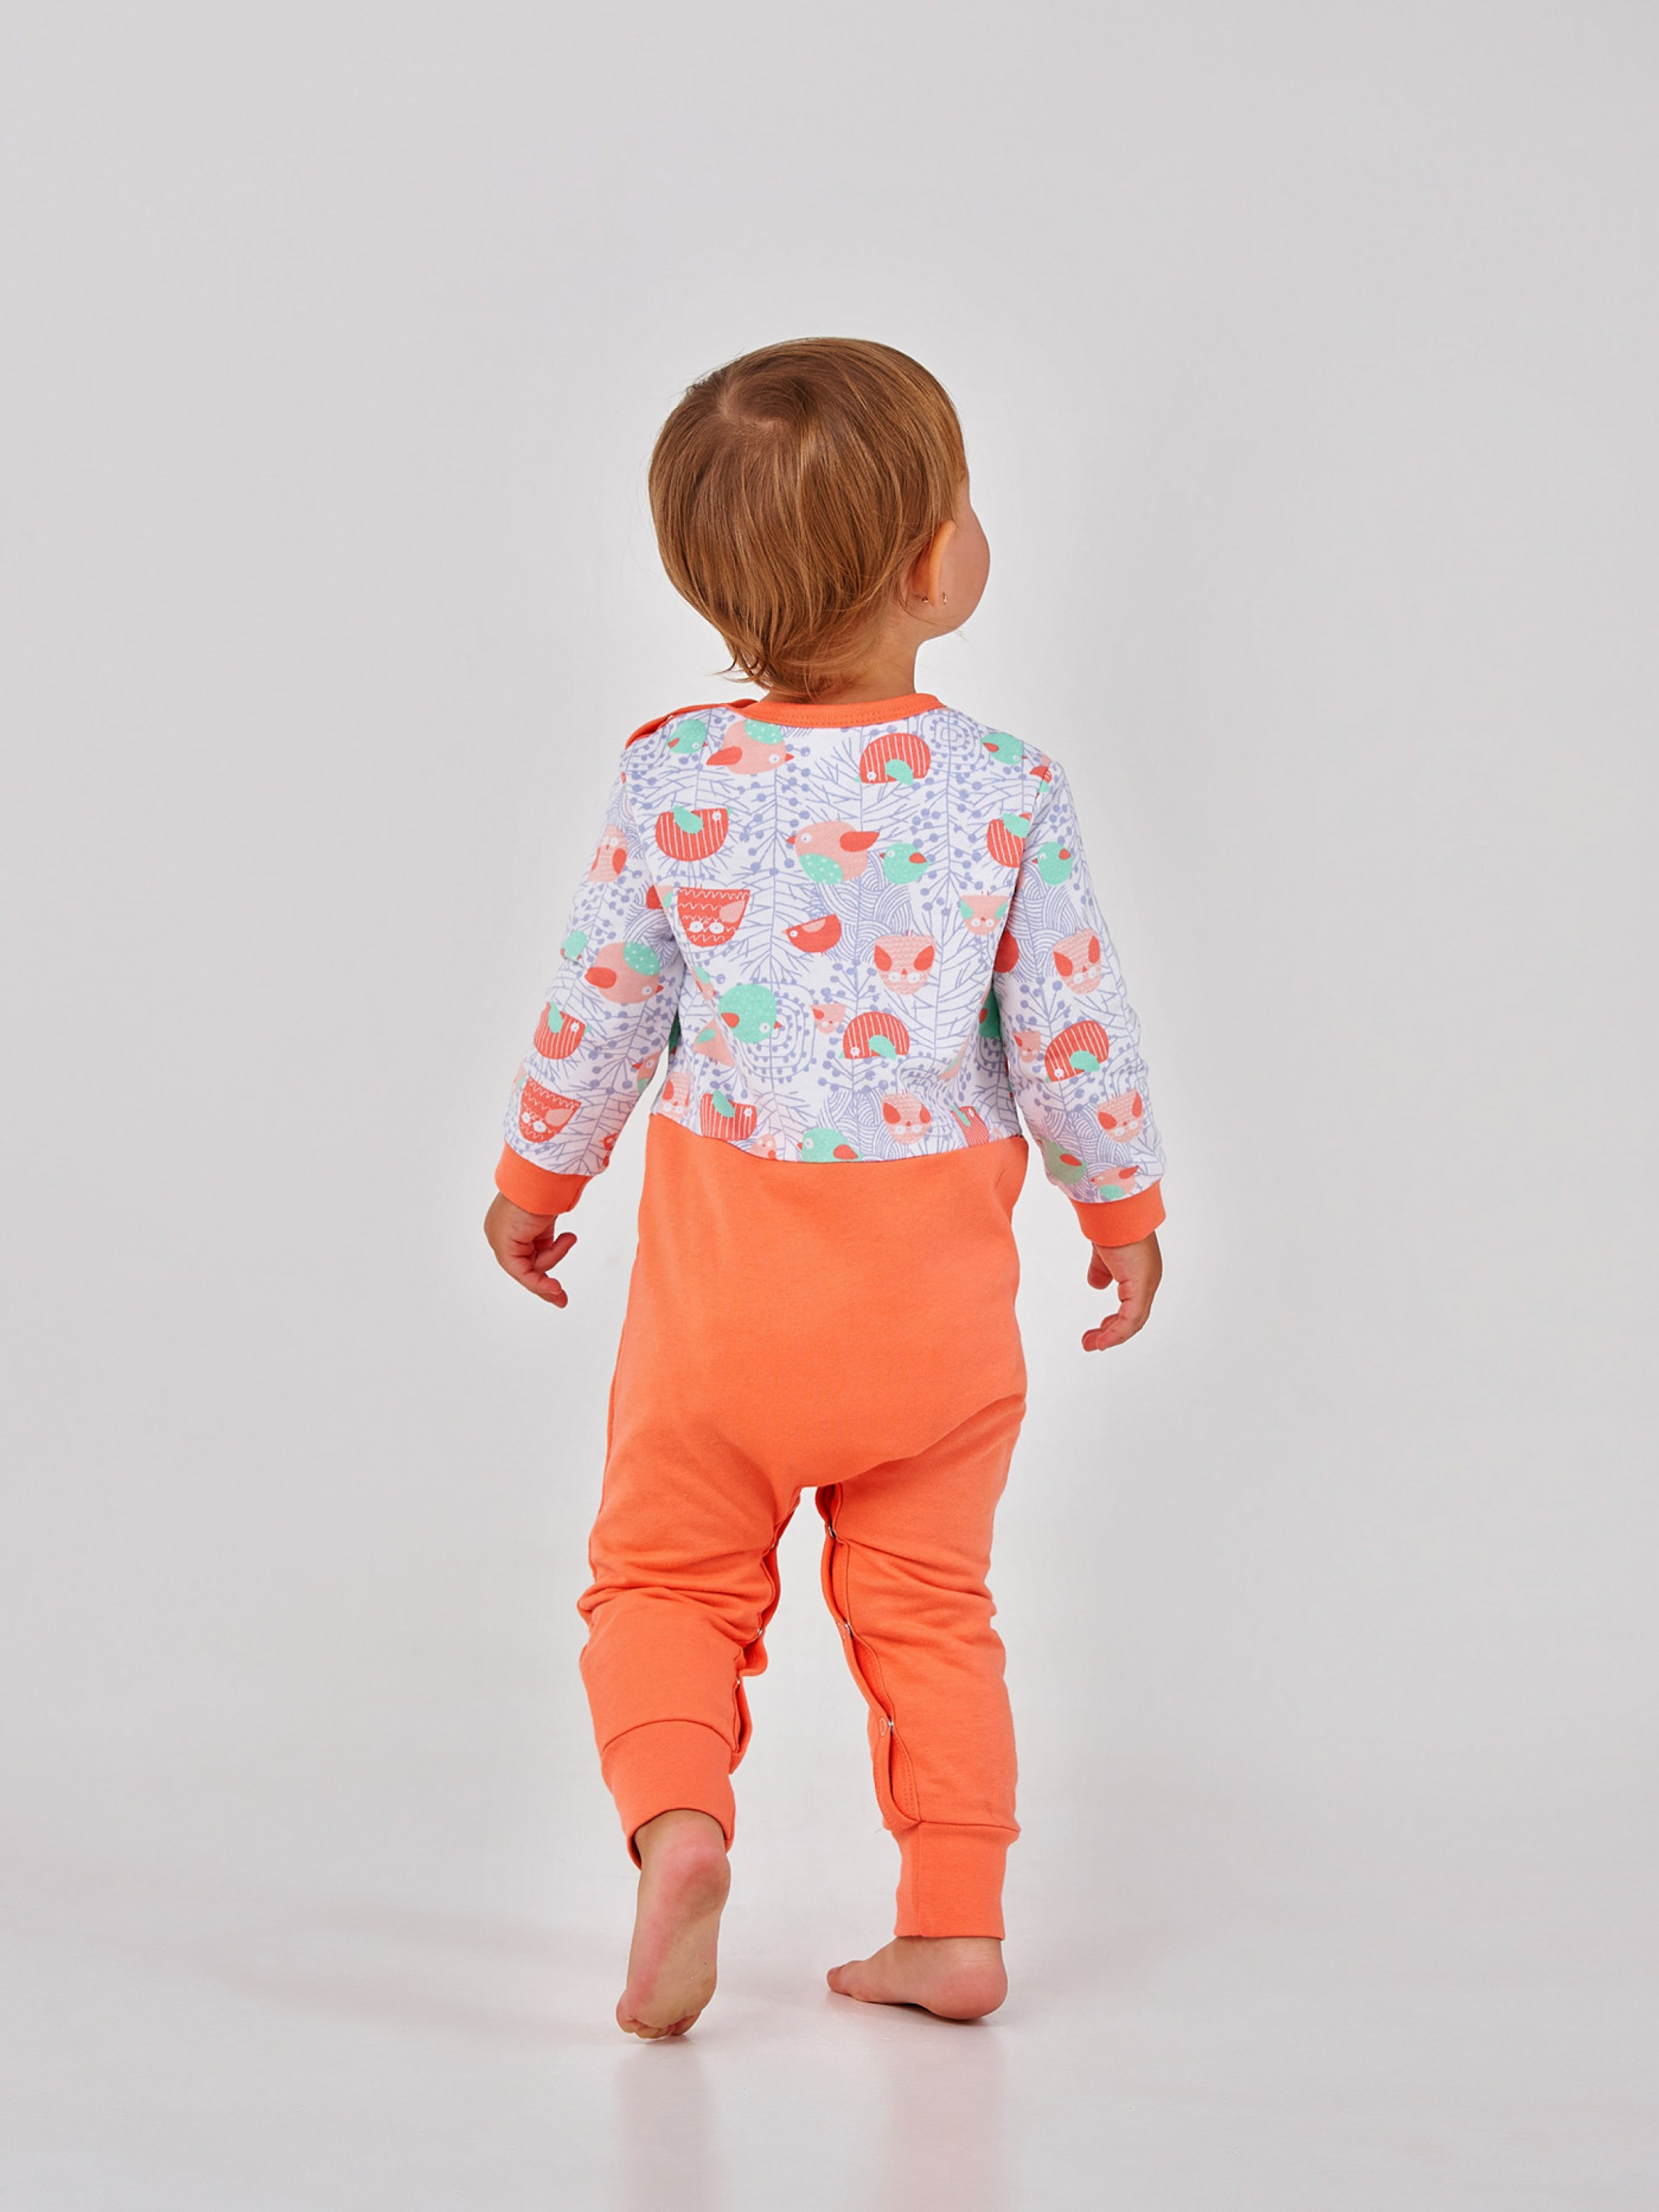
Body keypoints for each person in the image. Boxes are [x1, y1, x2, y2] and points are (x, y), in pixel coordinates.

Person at [483, 338, 1167, 2037]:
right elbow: (1073, 1030)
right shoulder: (1005, 789)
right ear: (934, 564)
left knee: (662, 1583)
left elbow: (601, 1004)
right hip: (931, 1317)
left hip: (725, 1311)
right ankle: (952, 1927)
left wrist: (535, 1177)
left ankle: (680, 1828)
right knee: (930, 1608)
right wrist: (1121, 1213)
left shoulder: (673, 778)